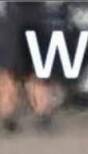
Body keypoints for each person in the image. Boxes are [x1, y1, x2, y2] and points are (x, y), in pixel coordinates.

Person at [0, 1, 56, 131]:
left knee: (14, 70)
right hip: (27, 15)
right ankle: (12, 113)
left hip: (21, 16)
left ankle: (11, 113)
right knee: (19, 71)